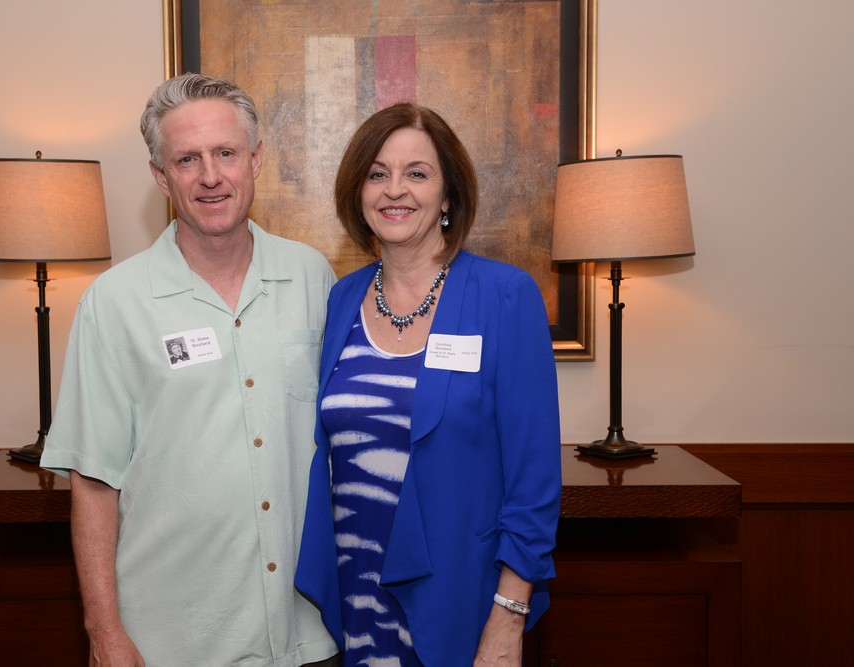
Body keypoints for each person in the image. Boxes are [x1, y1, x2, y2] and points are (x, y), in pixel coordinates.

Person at [40, 73, 339, 666]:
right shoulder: (114, 303)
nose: (210, 176)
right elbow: (94, 481)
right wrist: (103, 632)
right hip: (174, 641)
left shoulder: (313, 278)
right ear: (160, 176)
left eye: (226, 153)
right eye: (187, 159)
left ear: (255, 159)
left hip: (307, 632)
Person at [294, 103, 561, 666]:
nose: (395, 190)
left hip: (460, 599)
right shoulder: (343, 298)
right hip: (356, 592)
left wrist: (508, 618)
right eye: (377, 174)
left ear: (447, 196)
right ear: (358, 192)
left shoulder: (504, 296)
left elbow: (534, 481)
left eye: (417, 173)